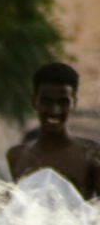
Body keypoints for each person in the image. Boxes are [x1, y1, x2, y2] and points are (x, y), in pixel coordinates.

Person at [6, 63, 100, 200]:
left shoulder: (91, 154)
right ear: (34, 102)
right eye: (46, 102)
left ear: (74, 103)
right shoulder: (17, 156)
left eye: (63, 102)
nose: (55, 110)